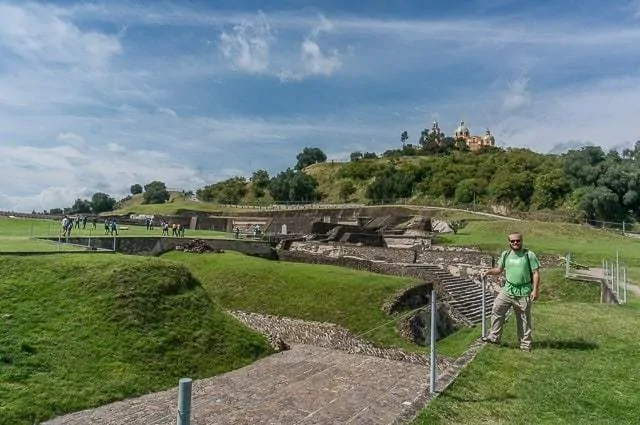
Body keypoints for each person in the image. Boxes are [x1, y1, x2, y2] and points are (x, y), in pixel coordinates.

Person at [480, 232, 540, 352]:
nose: (515, 243)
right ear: (509, 242)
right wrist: (488, 271)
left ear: (521, 241)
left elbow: (535, 273)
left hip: (523, 291)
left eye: (517, 241)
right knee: (497, 309)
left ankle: (525, 345)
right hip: (507, 290)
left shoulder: (529, 255)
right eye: (512, 241)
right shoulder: (506, 254)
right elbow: (499, 269)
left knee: (524, 319)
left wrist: (535, 290)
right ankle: (494, 337)